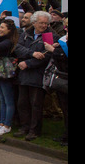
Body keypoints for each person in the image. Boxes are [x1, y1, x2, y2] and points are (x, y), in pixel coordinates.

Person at [13, 10, 56, 141]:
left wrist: (28, 63)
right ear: (34, 22)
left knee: (36, 104)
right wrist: (31, 54)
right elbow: (18, 48)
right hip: (24, 75)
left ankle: (34, 130)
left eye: (46, 23)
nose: (44, 25)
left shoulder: (50, 35)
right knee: (22, 103)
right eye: (41, 23)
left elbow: (46, 56)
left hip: (38, 75)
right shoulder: (26, 33)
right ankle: (24, 126)